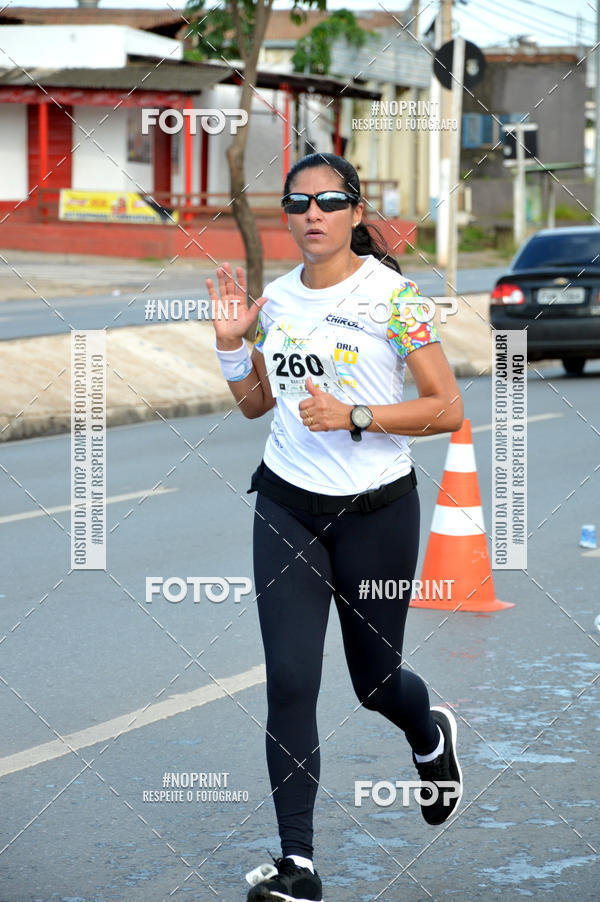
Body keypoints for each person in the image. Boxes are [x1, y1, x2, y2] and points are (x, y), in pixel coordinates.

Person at [207, 152, 464, 902]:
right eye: (297, 203)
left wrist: (355, 415)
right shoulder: (279, 302)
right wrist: (230, 347)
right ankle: (299, 865)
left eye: (327, 201)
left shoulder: (397, 299)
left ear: (356, 212)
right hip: (286, 504)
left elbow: (446, 407)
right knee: (290, 680)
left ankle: (429, 733)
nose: (311, 214)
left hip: (376, 512)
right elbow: (259, 405)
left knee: (376, 681)